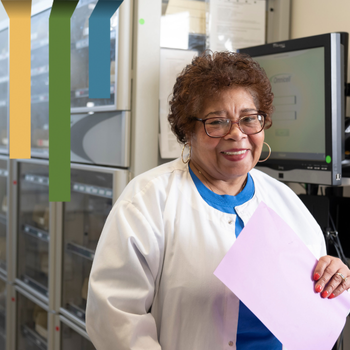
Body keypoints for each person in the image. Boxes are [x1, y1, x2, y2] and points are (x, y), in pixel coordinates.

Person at [86, 51, 350, 350]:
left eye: (249, 119)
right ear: (189, 130)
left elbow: (311, 304)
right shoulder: (147, 201)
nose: (236, 134)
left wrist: (332, 276)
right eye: (218, 122)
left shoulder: (285, 202)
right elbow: (115, 320)